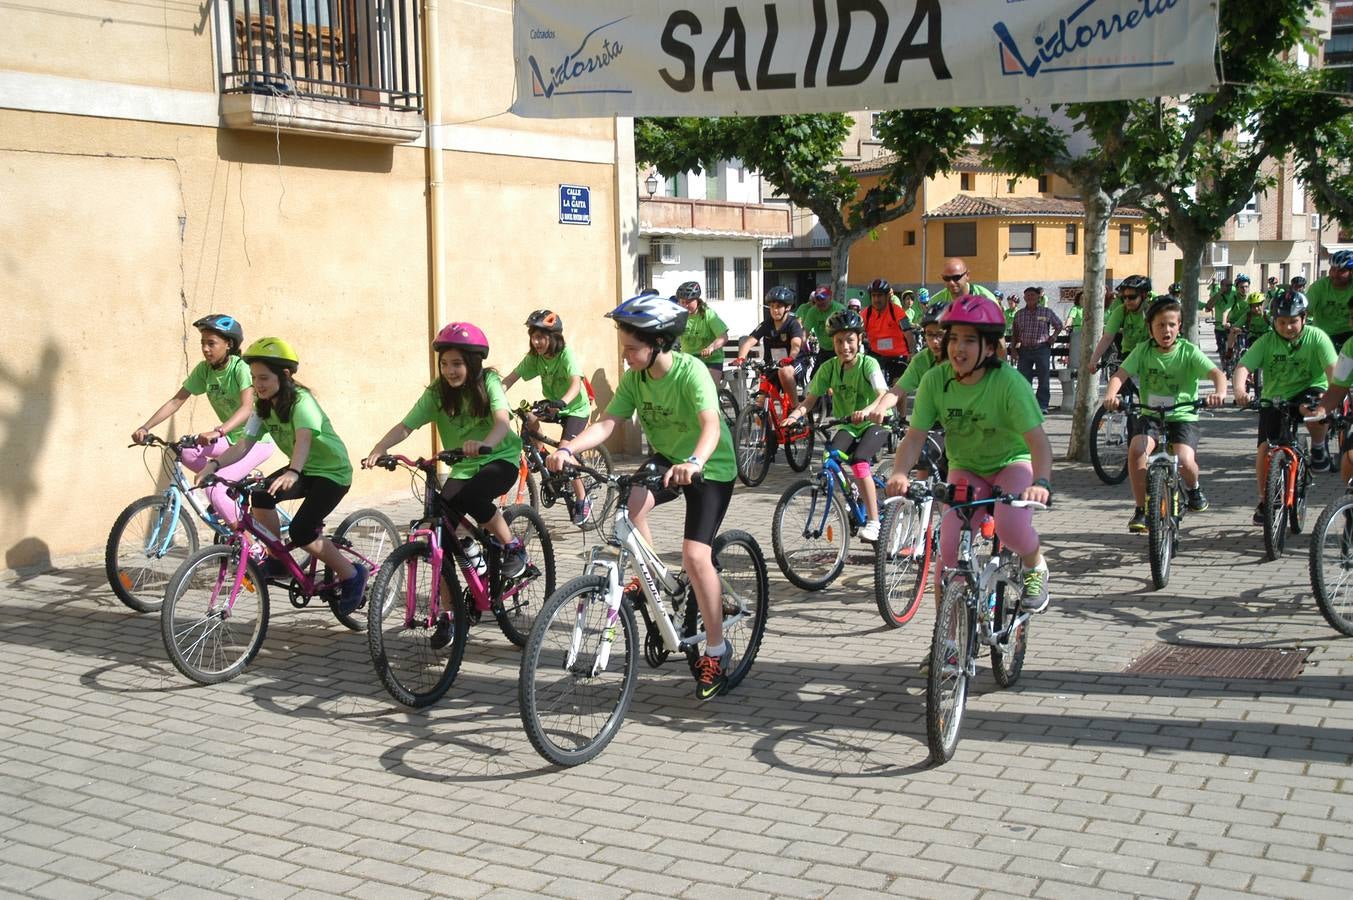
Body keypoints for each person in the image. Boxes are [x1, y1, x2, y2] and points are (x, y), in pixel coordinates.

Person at [546, 294, 738, 701]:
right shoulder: (636, 380)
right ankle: (653, 582)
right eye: (624, 348)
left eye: (632, 349)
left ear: (658, 343)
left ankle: (717, 651)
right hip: (668, 458)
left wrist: (695, 461)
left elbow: (710, 425)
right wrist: (568, 449)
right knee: (631, 506)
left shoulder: (691, 372)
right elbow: (608, 423)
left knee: (695, 556)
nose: (625, 356)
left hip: (710, 465)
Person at [885, 294, 1054, 613]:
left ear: (989, 347)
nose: (957, 348)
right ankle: (949, 634)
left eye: (969, 340)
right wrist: (899, 473)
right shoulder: (935, 380)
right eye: (954, 338)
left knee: (1011, 529)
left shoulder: (1009, 383)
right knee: (949, 553)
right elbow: (915, 436)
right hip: (966, 468)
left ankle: (1036, 566)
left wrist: (1041, 482)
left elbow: (1038, 442)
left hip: (1011, 463)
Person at [201, 338, 367, 614]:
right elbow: (243, 445)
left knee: (302, 530)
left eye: (264, 377)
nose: (258, 384)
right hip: (304, 470)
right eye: (254, 377)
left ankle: (352, 574)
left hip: (332, 473)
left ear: (285, 375)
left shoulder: (302, 401)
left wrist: (293, 470)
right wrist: (214, 466)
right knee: (260, 496)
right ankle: (277, 559)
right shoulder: (263, 406)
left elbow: (304, 439)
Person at [362, 322, 530, 584]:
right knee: (441, 526)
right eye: (444, 364)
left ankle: (513, 547)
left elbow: (501, 422)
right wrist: (381, 447)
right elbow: (406, 426)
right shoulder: (437, 392)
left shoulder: (489, 382)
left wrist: (485, 443)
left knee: (473, 497)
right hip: (465, 466)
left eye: (457, 364)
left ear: (473, 363)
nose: (449, 371)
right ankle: (452, 600)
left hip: (501, 458)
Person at [132, 314, 273, 527]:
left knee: (215, 490)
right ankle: (227, 491)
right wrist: (145, 427)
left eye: (211, 343)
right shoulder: (204, 370)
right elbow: (176, 401)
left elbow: (247, 408)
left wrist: (219, 431)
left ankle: (248, 540)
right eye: (202, 343)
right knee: (187, 451)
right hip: (231, 439)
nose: (205, 349)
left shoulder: (240, 368)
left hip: (256, 441)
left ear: (229, 344)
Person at [1102, 297, 1227, 532]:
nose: (1166, 330)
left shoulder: (1188, 351)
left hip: (1183, 416)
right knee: (1137, 450)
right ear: (1150, 328)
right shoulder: (1143, 350)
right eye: (1160, 325)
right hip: (1151, 415)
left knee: (1185, 459)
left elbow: (1217, 374)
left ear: (1179, 326)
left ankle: (1194, 488)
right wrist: (1110, 396)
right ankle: (1141, 510)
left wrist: (1219, 393)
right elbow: (1120, 375)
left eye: (1171, 324)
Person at [782, 310, 889, 542]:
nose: (844, 347)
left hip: (876, 422)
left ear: (860, 340)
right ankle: (854, 492)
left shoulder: (868, 363)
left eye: (850, 340)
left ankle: (873, 521)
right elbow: (809, 400)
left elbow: (883, 394)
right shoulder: (828, 368)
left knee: (859, 461)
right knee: (830, 458)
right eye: (839, 341)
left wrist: (867, 411)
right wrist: (794, 416)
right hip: (848, 425)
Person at [1233, 291, 1337, 523]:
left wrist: (1333, 397)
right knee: (1264, 449)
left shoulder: (1317, 337)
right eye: (1281, 322)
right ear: (1274, 321)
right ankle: (1265, 500)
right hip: (1276, 398)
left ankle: (1318, 446)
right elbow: (1243, 367)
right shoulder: (1267, 341)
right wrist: (1240, 391)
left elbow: (1333, 371)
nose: (1287, 327)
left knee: (1313, 409)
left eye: (1293, 321)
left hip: (1310, 389)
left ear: (1304, 318)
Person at [500, 309, 594, 526]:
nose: (536, 342)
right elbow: (511, 378)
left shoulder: (565, 354)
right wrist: (494, 397)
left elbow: (575, 383)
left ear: (554, 337)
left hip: (575, 409)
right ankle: (541, 453)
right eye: (533, 337)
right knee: (528, 416)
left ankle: (583, 499)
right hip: (553, 406)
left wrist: (563, 401)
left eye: (541, 337)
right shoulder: (535, 357)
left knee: (565, 453)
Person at [869, 302, 948, 421]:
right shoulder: (922, 360)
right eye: (929, 334)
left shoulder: (966, 360)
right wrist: (881, 407)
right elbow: (897, 390)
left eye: (940, 334)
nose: (934, 341)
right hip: (928, 424)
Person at [735, 286, 808, 399]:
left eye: (778, 307)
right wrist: (741, 358)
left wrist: (791, 358)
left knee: (785, 372)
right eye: (772, 306)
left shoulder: (793, 324)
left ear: (788, 307)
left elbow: (796, 344)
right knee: (761, 401)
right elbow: (749, 341)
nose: (774, 310)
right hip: (772, 365)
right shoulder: (766, 324)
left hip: (794, 363)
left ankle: (795, 406)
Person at [1010, 286, 1064, 413]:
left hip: (1042, 349)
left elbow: (1059, 325)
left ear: (1038, 297)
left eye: (1032, 295)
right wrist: (1013, 349)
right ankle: (1026, 404)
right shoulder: (1019, 314)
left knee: (1043, 378)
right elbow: (1015, 333)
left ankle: (1042, 405)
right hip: (1024, 350)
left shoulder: (1046, 312)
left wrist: (1054, 336)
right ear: (1024, 298)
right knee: (1023, 379)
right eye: (1027, 295)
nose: (1030, 297)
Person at [1089, 276, 1152, 377]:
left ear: (1143, 295)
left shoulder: (1151, 311)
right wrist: (1094, 360)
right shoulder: (1121, 311)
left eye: (1132, 297)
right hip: (1128, 354)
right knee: (1118, 380)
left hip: (1149, 353)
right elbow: (1107, 337)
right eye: (1124, 297)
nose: (1127, 301)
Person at [674, 281, 729, 385]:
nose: (685, 305)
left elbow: (724, 336)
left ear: (697, 300)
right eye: (682, 302)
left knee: (709, 389)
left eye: (689, 302)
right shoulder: (678, 316)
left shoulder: (708, 314)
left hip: (711, 361)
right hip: (688, 360)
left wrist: (711, 348)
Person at [862, 277, 913, 384]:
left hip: (898, 356)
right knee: (873, 385)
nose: (876, 299)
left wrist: (911, 352)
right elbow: (858, 333)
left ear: (887, 296)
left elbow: (908, 332)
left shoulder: (897, 311)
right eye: (874, 296)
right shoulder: (866, 313)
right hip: (876, 356)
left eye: (880, 295)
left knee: (897, 387)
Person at [1306, 251, 1353, 349]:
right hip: (1324, 335)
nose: (1335, 274)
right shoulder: (1318, 287)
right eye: (1333, 269)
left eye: (1341, 271)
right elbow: (1304, 312)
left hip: (1349, 334)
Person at [798, 285, 845, 372]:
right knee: (814, 377)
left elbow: (846, 333)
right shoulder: (813, 311)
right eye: (817, 299)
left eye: (823, 299)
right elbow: (805, 331)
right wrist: (801, 347)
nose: (820, 302)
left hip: (839, 350)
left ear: (830, 298)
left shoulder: (839, 309)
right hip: (824, 349)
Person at [929, 257, 998, 308]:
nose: (951, 283)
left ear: (967, 275)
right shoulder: (936, 302)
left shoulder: (987, 299)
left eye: (956, 277)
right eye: (946, 278)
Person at [1226, 291, 1271, 359]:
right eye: (1253, 306)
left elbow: (1277, 326)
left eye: (1258, 305)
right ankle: (1230, 351)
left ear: (1263, 305)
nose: (1256, 308)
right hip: (1252, 338)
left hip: (1266, 339)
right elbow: (1236, 326)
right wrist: (1235, 328)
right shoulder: (1248, 315)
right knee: (1233, 331)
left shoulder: (1267, 315)